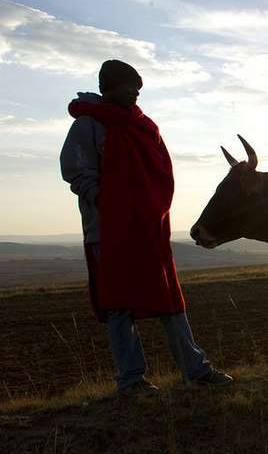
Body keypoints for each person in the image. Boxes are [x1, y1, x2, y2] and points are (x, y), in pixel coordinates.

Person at [60, 59, 233, 396]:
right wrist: (102, 198)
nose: (136, 94)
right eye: (129, 88)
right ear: (108, 88)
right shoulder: (88, 125)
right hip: (107, 232)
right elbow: (77, 170)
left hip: (148, 229)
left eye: (138, 89)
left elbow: (160, 174)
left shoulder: (145, 126)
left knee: (168, 299)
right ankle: (131, 380)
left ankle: (196, 370)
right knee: (118, 305)